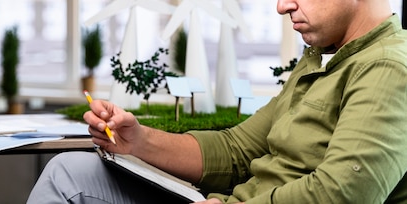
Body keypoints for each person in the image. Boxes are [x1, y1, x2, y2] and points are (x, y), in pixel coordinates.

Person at [27, 0, 407, 203]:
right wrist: (138, 141)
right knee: (70, 172)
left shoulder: (389, 68)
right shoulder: (320, 57)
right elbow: (237, 149)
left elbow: (346, 194)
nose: (281, 6)